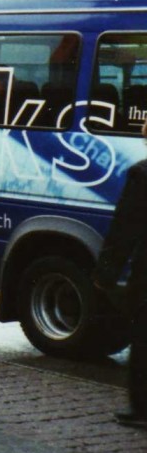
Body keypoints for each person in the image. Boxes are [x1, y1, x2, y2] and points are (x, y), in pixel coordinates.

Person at [93, 117, 147, 429]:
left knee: (143, 338)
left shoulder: (142, 174)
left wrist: (106, 273)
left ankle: (141, 408)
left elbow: (124, 231)